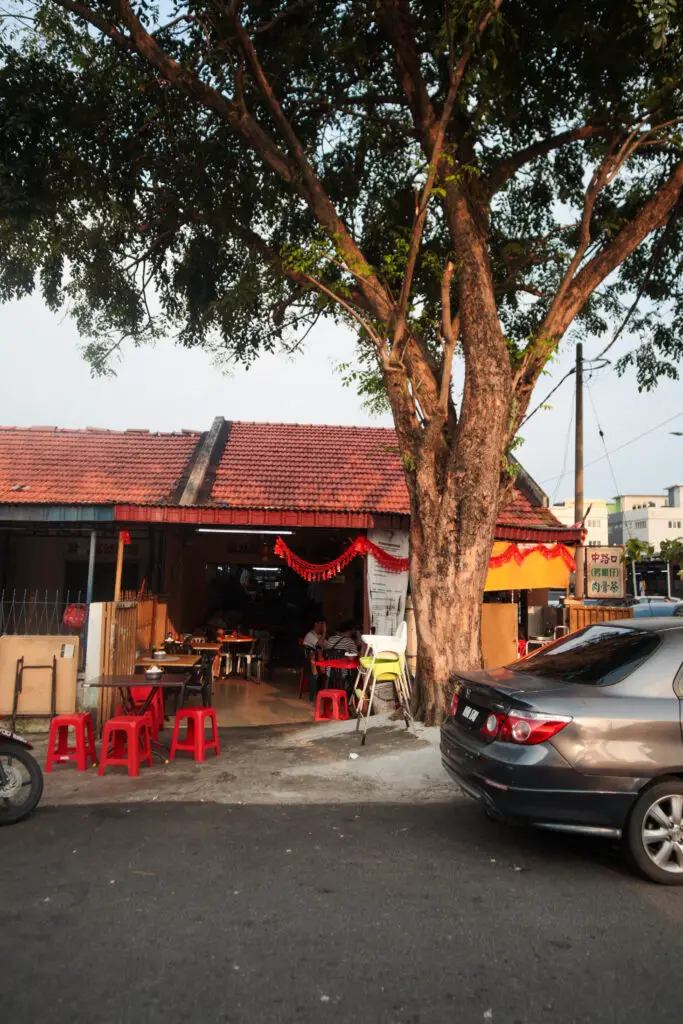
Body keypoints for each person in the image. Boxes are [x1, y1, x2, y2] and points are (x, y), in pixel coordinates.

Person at [302, 619, 326, 702]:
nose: (322, 627)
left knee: (329, 668)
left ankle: (327, 695)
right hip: (309, 661)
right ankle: (312, 697)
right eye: (322, 624)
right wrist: (324, 632)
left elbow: (325, 645)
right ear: (316, 624)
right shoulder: (310, 635)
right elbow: (320, 644)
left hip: (316, 660)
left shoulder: (317, 635)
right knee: (318, 669)